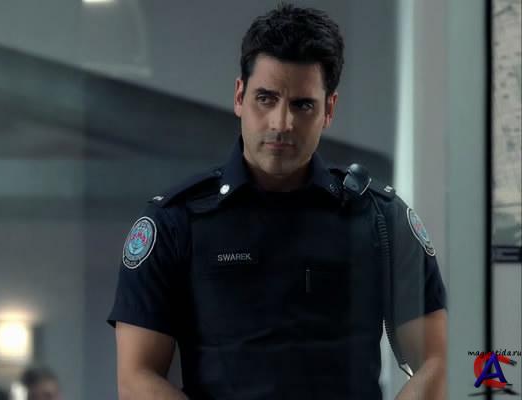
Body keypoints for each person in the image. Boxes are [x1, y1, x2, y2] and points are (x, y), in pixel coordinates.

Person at [107, 3, 448, 399]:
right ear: (239, 96)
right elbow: (136, 378)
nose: (281, 123)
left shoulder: (380, 219)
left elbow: (437, 362)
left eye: (302, 105)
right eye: (266, 99)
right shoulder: (174, 223)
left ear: (329, 109)